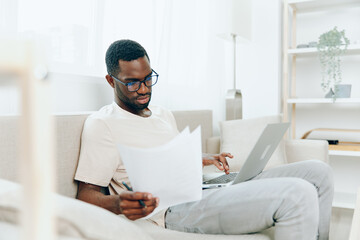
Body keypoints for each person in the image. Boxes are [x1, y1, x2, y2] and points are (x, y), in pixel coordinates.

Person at [75, 39, 334, 240]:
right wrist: (119, 204)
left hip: (202, 188)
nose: (144, 89)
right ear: (111, 81)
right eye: (132, 83)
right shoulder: (102, 124)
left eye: (148, 79)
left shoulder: (163, 114)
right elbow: (86, 194)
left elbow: (169, 161)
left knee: (318, 172)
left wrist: (201, 159)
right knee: (297, 193)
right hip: (173, 209)